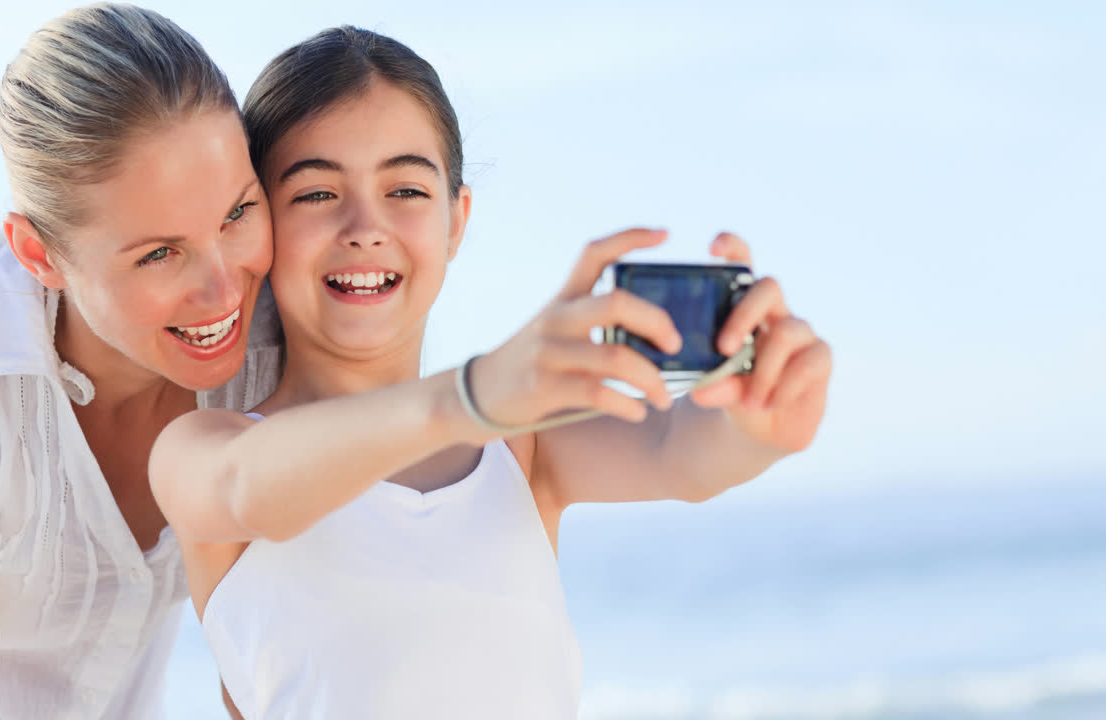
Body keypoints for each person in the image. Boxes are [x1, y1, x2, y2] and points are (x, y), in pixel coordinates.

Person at [150, 26, 833, 719]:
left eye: (407, 189)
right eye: (317, 194)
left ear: (456, 219)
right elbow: (248, 489)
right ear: (260, 224)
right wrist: (472, 397)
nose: (364, 225)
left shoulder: (519, 444)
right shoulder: (202, 451)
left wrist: (764, 420)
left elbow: (681, 454)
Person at [0, 4, 282, 718]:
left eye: (237, 213)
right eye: (160, 252)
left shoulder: (273, 341)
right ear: (39, 254)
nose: (226, 288)